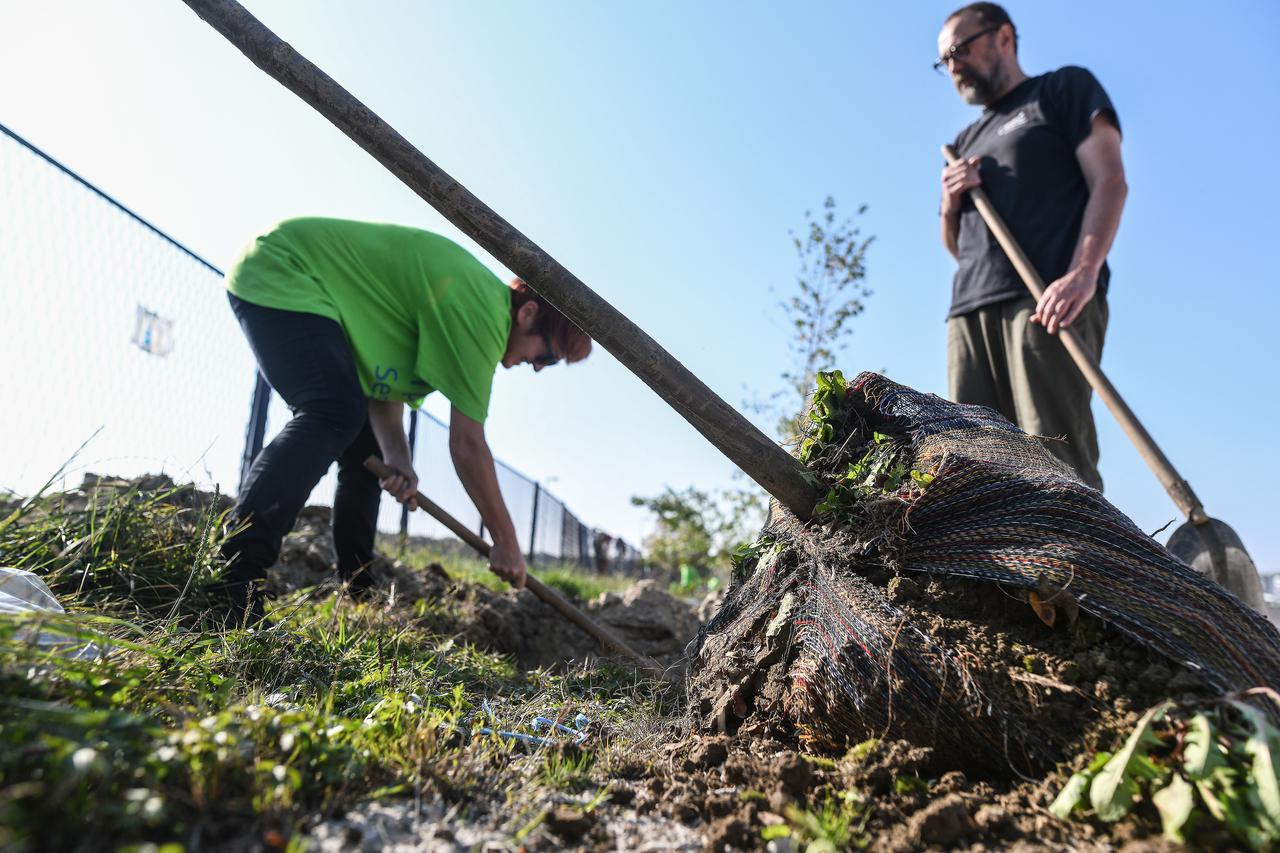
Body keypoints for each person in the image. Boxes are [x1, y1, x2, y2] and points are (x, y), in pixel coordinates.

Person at [212, 217, 591, 622]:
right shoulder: (481, 315)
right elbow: (467, 445)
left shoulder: (474, 313)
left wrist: (399, 459)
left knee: (364, 451)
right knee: (332, 412)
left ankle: (358, 593)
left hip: (311, 292)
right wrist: (506, 541)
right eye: (547, 357)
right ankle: (235, 581)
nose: (537, 368)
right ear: (528, 314)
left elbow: (382, 387)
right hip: (284, 270)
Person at [937, 3, 1126, 490]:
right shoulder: (965, 139)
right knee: (974, 468)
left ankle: (1078, 566)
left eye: (960, 49)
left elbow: (1110, 182)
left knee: (1052, 464)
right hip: (970, 312)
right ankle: (1000, 568)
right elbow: (957, 248)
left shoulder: (1062, 90)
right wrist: (950, 200)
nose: (953, 66)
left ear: (1003, 36)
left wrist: (1083, 273)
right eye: (944, 60)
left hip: (1045, 301)